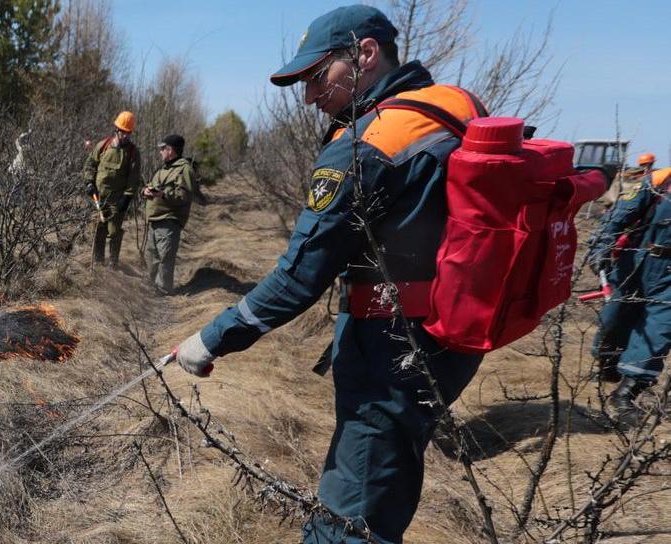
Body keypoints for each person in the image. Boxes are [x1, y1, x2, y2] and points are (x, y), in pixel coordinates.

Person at [163, 6, 490, 542]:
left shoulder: (370, 142)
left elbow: (298, 277)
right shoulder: (452, 105)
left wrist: (210, 339)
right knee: (380, 484)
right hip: (446, 341)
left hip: (391, 350)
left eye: (318, 77)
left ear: (365, 54)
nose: (310, 97)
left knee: (350, 518)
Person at [590, 154, 671, 422]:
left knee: (659, 329)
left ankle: (626, 392)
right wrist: (601, 247)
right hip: (636, 263)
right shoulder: (658, 181)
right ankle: (608, 363)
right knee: (615, 319)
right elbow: (617, 218)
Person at [82, 111, 142, 267]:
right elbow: (90, 165)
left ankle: (113, 263)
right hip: (98, 196)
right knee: (98, 229)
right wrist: (89, 182)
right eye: (123, 132)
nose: (125, 136)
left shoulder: (132, 153)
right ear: (117, 130)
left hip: (117, 199)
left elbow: (134, 178)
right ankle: (98, 262)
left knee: (114, 231)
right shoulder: (103, 145)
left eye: (128, 133)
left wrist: (127, 197)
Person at [141, 134, 199, 294]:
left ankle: (163, 291)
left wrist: (163, 194)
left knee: (165, 257)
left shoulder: (184, 169)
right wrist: (145, 191)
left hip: (169, 220)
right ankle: (150, 288)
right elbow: (152, 185)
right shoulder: (163, 168)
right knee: (151, 256)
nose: (160, 152)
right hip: (154, 219)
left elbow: (185, 196)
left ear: (170, 150)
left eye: (162, 149)